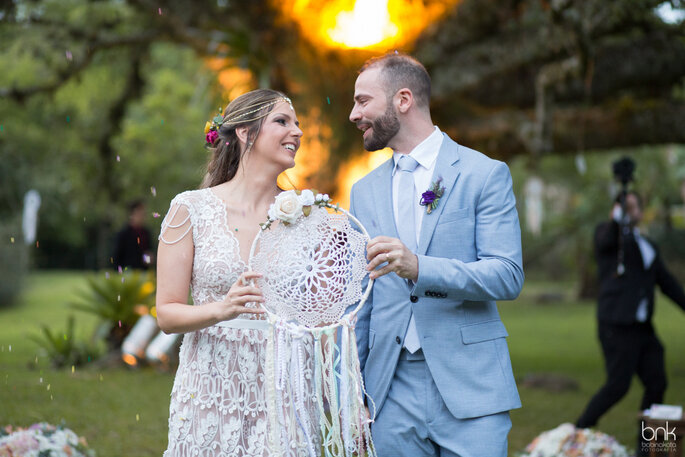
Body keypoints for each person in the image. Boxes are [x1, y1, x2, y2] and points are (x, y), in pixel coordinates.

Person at [348, 53, 524, 457]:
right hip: (388, 391)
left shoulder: (484, 174)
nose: (354, 114)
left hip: (471, 387)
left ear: (403, 100)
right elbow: (361, 301)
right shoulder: (363, 191)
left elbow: (507, 274)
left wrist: (419, 267)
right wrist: (351, 389)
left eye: (362, 101)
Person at [156, 89, 317, 456]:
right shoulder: (190, 209)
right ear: (246, 133)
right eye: (282, 121)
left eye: (297, 124)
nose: (297, 132)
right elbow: (166, 313)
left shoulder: (307, 216)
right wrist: (221, 310)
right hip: (211, 390)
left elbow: (319, 312)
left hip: (285, 390)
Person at [575, 192, 685, 436]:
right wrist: (617, 219)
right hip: (616, 324)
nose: (630, 211)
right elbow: (607, 241)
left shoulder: (647, 245)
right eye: (626, 206)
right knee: (618, 385)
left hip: (643, 328)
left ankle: (648, 449)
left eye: (635, 207)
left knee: (657, 382)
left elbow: (667, 283)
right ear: (615, 210)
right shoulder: (608, 236)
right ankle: (577, 431)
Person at [113, 199, 152, 270]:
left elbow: (148, 254)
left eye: (143, 214)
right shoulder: (123, 234)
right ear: (132, 214)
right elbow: (117, 257)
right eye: (139, 213)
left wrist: (149, 260)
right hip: (127, 273)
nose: (142, 217)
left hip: (143, 273)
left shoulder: (146, 233)